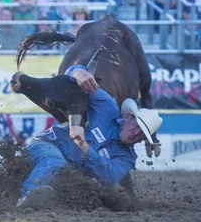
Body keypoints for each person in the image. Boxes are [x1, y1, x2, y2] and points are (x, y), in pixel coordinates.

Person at [17, 64, 163, 209]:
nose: (136, 134)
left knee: (65, 176)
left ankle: (34, 194)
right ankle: (27, 197)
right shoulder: (107, 107)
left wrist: (85, 148)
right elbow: (71, 78)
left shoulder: (127, 158)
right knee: (54, 161)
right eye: (137, 127)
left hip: (68, 172)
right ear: (129, 117)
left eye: (142, 135)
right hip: (48, 144)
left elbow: (110, 177)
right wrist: (79, 72)